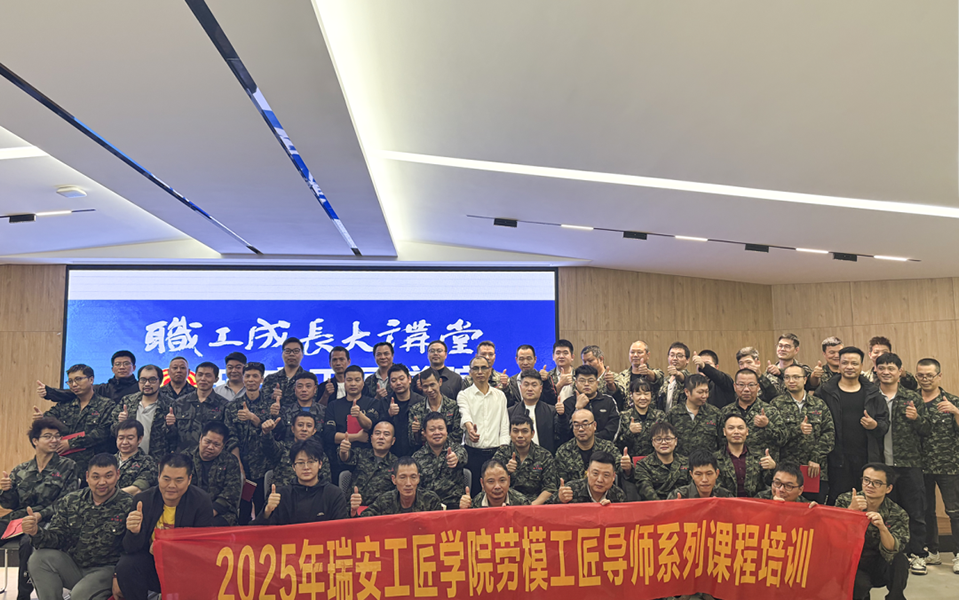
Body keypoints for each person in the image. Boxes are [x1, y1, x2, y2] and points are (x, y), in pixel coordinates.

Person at [25, 453, 134, 600]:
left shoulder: (129, 504)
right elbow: (57, 538)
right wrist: (36, 532)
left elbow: (132, 549)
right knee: (39, 559)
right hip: (74, 566)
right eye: (96, 477)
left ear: (118, 475)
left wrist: (118, 576)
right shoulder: (71, 501)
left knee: (78, 596)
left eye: (108, 476)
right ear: (87, 477)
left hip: (106, 571)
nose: (102, 482)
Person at [115, 453, 213, 600]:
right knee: (126, 566)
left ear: (189, 479)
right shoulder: (143, 500)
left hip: (185, 565)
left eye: (179, 480)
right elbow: (129, 549)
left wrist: (166, 548)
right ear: (159, 476)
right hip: (152, 563)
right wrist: (134, 532)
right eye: (166, 479)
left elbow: (203, 549)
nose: (171, 486)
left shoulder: (201, 502)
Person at [0, 417, 78, 600]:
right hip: (19, 519)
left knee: (28, 542)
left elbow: (67, 501)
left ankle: (23, 595)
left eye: (57, 436)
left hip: (51, 520)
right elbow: (10, 504)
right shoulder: (21, 470)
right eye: (48, 436)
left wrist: (40, 515)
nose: (54, 440)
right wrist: (6, 490)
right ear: (35, 441)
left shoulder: (68, 466)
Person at [874, 353, 929, 574]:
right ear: (876, 370)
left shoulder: (912, 397)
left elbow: (927, 430)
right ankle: (892, 555)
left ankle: (918, 554)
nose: (886, 372)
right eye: (882, 368)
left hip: (909, 464)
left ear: (899, 371)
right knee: (886, 512)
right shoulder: (871, 396)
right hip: (881, 465)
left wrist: (917, 419)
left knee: (915, 511)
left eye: (891, 368)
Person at [816, 347, 888, 504]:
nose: (849, 367)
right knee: (837, 502)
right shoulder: (825, 391)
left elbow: (884, 425)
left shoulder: (873, 392)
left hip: (866, 458)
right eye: (845, 363)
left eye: (854, 363)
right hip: (835, 459)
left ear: (861, 366)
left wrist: (874, 425)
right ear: (839, 365)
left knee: (865, 502)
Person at [835, 464, 909, 600]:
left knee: (900, 561)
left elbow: (893, 549)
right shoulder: (845, 500)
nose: (870, 485)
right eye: (866, 480)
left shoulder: (897, 512)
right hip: (852, 562)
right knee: (860, 585)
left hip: (878, 562)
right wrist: (851, 512)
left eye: (877, 483)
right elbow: (834, 536)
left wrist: (882, 528)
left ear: (888, 488)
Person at [915, 358, 959, 572]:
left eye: (929, 375)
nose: (925, 379)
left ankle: (958, 553)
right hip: (919, 465)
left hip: (948, 465)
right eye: (921, 375)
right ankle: (931, 551)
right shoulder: (911, 400)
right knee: (925, 511)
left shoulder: (952, 401)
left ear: (939, 376)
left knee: (954, 510)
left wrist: (956, 412)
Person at [771, 364, 835, 502]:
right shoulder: (776, 405)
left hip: (814, 470)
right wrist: (797, 430)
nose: (791, 381)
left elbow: (829, 434)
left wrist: (816, 458)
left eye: (796, 377)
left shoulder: (819, 404)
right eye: (787, 377)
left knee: (813, 509)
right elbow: (775, 437)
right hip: (787, 472)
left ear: (805, 380)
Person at [40, 364, 115, 474]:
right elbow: (50, 419)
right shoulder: (64, 405)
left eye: (78, 379)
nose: (74, 384)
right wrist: (41, 418)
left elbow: (103, 433)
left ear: (91, 380)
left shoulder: (106, 405)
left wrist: (71, 443)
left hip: (93, 466)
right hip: (63, 466)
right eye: (70, 381)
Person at [253, 438, 348, 524]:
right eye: (300, 462)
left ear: (320, 464)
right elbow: (257, 531)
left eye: (311, 461)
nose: (306, 467)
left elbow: (343, 529)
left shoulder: (333, 494)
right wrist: (267, 512)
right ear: (293, 467)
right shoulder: (282, 495)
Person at [223, 362, 271, 524]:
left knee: (264, 511)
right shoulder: (232, 407)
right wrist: (238, 464)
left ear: (262, 379)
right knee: (242, 511)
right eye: (248, 376)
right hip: (240, 465)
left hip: (265, 466)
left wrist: (254, 419)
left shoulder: (271, 405)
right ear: (243, 378)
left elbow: (276, 434)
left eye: (255, 376)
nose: (251, 380)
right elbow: (230, 437)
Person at [458, 356, 510, 492]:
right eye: (476, 368)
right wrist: (470, 428)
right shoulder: (464, 395)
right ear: (470, 372)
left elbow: (504, 426)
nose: (480, 372)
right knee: (475, 495)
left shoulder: (500, 395)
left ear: (490, 371)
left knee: (497, 494)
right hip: (473, 453)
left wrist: (503, 452)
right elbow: (465, 414)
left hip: (497, 453)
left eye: (483, 368)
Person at [324, 365, 384, 477]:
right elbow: (329, 435)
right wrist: (356, 437)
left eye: (357, 380)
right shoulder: (333, 405)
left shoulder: (373, 403)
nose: (353, 384)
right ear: (344, 382)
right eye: (349, 380)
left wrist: (359, 415)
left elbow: (369, 425)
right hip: (340, 460)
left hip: (367, 461)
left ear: (363, 383)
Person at [719, 368, 785, 460]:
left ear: (758, 387)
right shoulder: (725, 412)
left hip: (763, 464)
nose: (746, 389)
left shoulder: (770, 411)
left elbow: (783, 440)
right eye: (741, 385)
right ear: (735, 386)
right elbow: (720, 442)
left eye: (751, 385)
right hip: (732, 464)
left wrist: (767, 425)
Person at [163, 361, 227, 454]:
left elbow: (228, 436)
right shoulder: (180, 403)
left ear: (216, 379)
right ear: (195, 376)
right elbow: (170, 437)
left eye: (208, 375)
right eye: (200, 375)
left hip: (210, 457)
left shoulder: (224, 405)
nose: (203, 379)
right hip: (183, 457)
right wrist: (169, 425)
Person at [492, 415, 558, 505]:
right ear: (510, 433)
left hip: (535, 504)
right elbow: (491, 484)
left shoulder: (544, 455)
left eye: (525, 431)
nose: (520, 435)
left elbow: (550, 488)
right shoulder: (502, 453)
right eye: (515, 431)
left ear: (532, 434)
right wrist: (505, 471)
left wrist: (531, 507)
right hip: (507, 504)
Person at [38, 350, 140, 405]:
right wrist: (49, 392)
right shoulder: (103, 389)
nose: (122, 367)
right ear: (113, 369)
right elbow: (72, 392)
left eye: (126, 363)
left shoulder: (140, 388)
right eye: (118, 364)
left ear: (134, 367)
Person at [189, 421, 242, 526]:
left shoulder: (230, 461)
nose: (210, 447)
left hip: (220, 512)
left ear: (223, 445)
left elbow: (231, 493)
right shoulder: (186, 458)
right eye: (207, 442)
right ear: (201, 438)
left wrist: (209, 513)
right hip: (190, 510)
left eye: (216, 444)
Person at [108, 364, 167, 457]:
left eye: (152, 380)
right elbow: (112, 432)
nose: (147, 384)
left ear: (160, 381)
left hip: (159, 459)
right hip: (129, 458)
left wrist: (171, 425)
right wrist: (120, 423)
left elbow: (176, 438)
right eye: (143, 380)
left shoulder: (169, 405)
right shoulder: (127, 401)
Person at [411, 412, 468, 508]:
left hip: (454, 505)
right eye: (432, 429)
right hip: (428, 507)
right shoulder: (417, 457)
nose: (437, 432)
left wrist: (456, 458)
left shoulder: (456, 449)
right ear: (424, 432)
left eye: (441, 429)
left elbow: (463, 456)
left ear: (446, 431)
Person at [260, 413, 332, 486]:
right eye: (300, 425)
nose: (304, 429)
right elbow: (268, 447)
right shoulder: (283, 448)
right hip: (284, 491)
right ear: (292, 429)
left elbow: (326, 483)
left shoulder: (319, 453)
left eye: (309, 426)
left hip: (312, 492)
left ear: (314, 431)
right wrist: (266, 433)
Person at [340, 420, 399, 508]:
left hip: (380, 511)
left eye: (386, 434)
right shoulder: (361, 454)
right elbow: (346, 458)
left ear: (393, 441)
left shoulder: (397, 464)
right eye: (377, 433)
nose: (381, 437)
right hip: (352, 508)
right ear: (371, 438)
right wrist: (344, 451)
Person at [714, 414, 776, 497]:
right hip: (726, 502)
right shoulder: (715, 459)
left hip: (755, 502)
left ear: (747, 431)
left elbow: (770, 484)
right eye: (731, 428)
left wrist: (773, 468)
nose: (736, 432)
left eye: (740, 428)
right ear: (724, 432)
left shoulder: (759, 456)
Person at [359, 457, 443, 516]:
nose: (408, 483)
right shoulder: (384, 501)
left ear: (418, 478)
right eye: (403, 477)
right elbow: (363, 522)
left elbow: (441, 526)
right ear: (394, 479)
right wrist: (353, 512)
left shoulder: (430, 500)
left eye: (413, 477)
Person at [554, 409, 620, 484]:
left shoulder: (608, 448)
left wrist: (627, 468)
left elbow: (620, 471)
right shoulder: (563, 452)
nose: (581, 429)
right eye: (576, 425)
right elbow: (561, 482)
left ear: (594, 425)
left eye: (585, 424)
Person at [559, 364, 619, 443]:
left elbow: (613, 429)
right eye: (582, 381)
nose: (586, 384)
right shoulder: (568, 403)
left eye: (591, 381)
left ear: (597, 383)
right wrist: (577, 409)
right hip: (575, 447)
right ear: (576, 383)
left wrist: (592, 440)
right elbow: (565, 433)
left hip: (604, 446)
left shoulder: (608, 401)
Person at [665, 374, 722, 457]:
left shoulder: (715, 413)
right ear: (687, 392)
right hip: (680, 462)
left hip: (707, 463)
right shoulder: (673, 414)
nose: (704, 396)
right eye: (700, 392)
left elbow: (722, 444)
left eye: (706, 392)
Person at [506, 370, 562, 454]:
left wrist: (562, 416)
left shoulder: (551, 411)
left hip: (545, 458)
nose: (530, 389)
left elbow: (561, 435)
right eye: (526, 385)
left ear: (541, 388)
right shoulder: (510, 412)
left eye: (534, 385)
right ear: (520, 388)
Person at [407, 368, 462, 452]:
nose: (429, 390)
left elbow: (458, 437)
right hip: (424, 456)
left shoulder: (453, 407)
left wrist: (433, 438)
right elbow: (412, 442)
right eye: (425, 386)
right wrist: (416, 433)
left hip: (449, 453)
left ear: (440, 382)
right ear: (421, 386)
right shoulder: (415, 410)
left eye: (432, 385)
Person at [633, 422, 689, 501]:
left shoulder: (686, 463)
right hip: (655, 506)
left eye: (668, 439)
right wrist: (664, 506)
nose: (664, 442)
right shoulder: (643, 465)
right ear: (653, 442)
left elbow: (692, 488)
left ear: (675, 441)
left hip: (684, 504)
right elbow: (646, 491)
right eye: (658, 439)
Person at [549, 452, 625, 504]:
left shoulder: (618, 495)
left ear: (613, 477)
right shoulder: (571, 489)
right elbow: (545, 511)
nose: (600, 480)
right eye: (595, 473)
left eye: (606, 475)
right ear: (588, 472)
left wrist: (612, 510)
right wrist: (559, 500)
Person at [617, 378, 666, 459]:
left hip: (656, 462)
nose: (643, 398)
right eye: (638, 394)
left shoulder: (659, 416)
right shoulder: (624, 416)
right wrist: (630, 432)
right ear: (631, 395)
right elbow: (618, 445)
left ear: (651, 395)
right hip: (631, 462)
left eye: (646, 394)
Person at [276, 370, 326, 442]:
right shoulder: (284, 411)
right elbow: (278, 434)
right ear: (295, 389)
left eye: (308, 386)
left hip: (316, 448)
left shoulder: (324, 411)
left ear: (315, 389)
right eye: (300, 386)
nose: (304, 390)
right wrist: (275, 415)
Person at [458, 459, 529, 508]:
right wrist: (464, 511)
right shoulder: (475, 505)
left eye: (502, 480)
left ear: (509, 480)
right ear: (482, 483)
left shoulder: (522, 503)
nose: (497, 486)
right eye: (491, 481)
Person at [383, 364, 420, 458]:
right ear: (390, 384)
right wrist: (389, 414)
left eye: (401, 379)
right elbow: (377, 426)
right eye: (394, 380)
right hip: (391, 455)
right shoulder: (385, 402)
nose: (398, 383)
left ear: (409, 379)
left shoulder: (421, 402)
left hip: (417, 454)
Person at [614, 340, 664, 409]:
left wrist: (647, 372)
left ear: (648, 355)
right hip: (627, 414)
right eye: (632, 352)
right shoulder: (622, 376)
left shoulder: (655, 373)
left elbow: (658, 377)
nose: (635, 355)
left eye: (639, 352)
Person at [667, 449, 733, 499]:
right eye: (698, 474)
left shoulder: (725, 496)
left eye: (709, 474)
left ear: (717, 473)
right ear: (691, 474)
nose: (704, 480)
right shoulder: (678, 495)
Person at [115, 420, 157, 496]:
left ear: (139, 439)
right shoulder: (109, 460)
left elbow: (137, 489)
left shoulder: (147, 462)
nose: (124, 442)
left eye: (130, 438)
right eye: (121, 438)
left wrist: (110, 496)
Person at [580, 345, 627, 410]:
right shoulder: (581, 380)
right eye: (584, 361)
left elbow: (623, 397)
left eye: (590, 361)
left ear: (601, 359)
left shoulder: (615, 377)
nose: (587, 364)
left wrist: (611, 386)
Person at [262, 338, 305, 407]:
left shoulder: (308, 379)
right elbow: (261, 402)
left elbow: (313, 403)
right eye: (287, 351)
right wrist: (272, 396)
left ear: (302, 354)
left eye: (296, 351)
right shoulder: (270, 378)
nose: (291, 354)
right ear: (282, 354)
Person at [656, 342, 692, 413]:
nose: (675, 359)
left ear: (687, 360)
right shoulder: (664, 381)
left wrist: (677, 373)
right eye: (672, 355)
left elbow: (683, 377)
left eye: (680, 356)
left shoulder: (691, 379)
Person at [545, 339, 577, 404]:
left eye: (565, 353)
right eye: (558, 353)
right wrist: (560, 384)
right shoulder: (547, 377)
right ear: (553, 357)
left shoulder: (579, 375)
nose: (561, 356)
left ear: (572, 357)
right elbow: (546, 400)